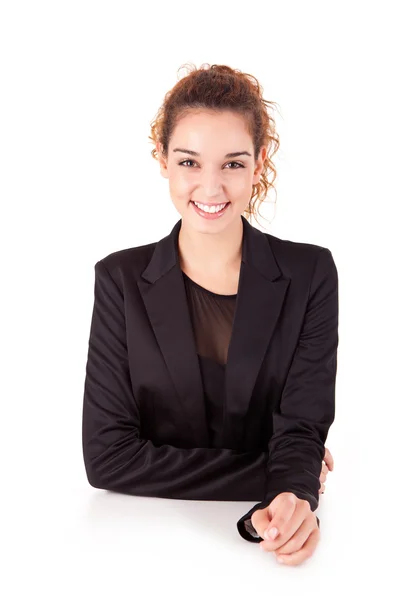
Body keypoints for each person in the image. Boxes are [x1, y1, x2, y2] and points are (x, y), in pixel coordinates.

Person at [82, 63, 338, 567]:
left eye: (234, 164)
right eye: (190, 162)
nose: (211, 187)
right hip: (132, 545)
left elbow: (302, 425)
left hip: (262, 557)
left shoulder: (310, 273)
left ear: (260, 162)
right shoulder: (120, 280)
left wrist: (292, 492)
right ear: (163, 161)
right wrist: (289, 477)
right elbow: (107, 459)